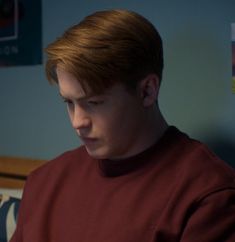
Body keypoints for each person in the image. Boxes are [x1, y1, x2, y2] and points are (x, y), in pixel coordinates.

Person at [11, 9, 235, 242]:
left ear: (147, 91)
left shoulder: (207, 196)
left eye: (94, 102)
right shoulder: (44, 183)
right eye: (69, 102)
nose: (78, 122)